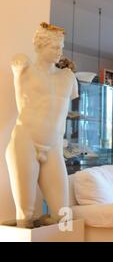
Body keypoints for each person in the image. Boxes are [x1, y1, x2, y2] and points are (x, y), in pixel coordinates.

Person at [5, 22, 79, 228]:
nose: (59, 51)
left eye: (61, 47)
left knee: (63, 216)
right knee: (25, 216)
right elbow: (16, 62)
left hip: (54, 147)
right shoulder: (24, 66)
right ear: (39, 46)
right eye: (54, 47)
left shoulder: (68, 76)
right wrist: (19, 64)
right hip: (25, 143)